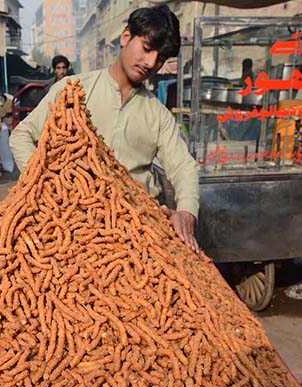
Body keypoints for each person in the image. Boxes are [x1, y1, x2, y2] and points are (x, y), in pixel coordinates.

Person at [11, 6, 200, 252]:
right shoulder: (73, 90)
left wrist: (186, 212)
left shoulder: (158, 114)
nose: (151, 62)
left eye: (161, 58)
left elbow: (184, 167)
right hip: (70, 227)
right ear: (125, 38)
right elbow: (22, 136)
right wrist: (46, 185)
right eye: (146, 48)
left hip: (135, 233)